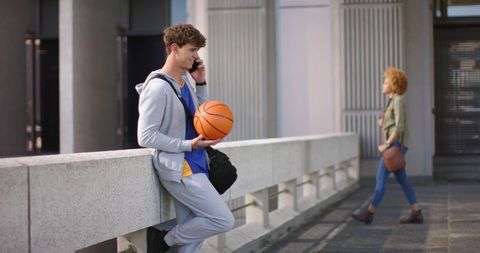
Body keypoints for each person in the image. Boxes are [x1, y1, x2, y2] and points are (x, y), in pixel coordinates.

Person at [136, 24, 234, 253]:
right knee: (222, 220)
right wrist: (188, 145)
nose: (196, 56)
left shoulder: (183, 82)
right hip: (181, 169)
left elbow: (200, 116)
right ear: (174, 48)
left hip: (197, 164)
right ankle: (163, 240)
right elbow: (145, 135)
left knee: (192, 239)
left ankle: (169, 242)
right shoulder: (158, 88)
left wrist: (200, 83)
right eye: (192, 50)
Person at [352, 67, 423, 225]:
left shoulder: (397, 100)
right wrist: (382, 122)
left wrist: (386, 144)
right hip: (396, 144)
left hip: (395, 145)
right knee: (402, 179)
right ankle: (416, 212)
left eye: (386, 82)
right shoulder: (392, 102)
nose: (383, 85)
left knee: (380, 178)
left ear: (394, 85)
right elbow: (393, 124)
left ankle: (369, 212)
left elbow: (400, 127)